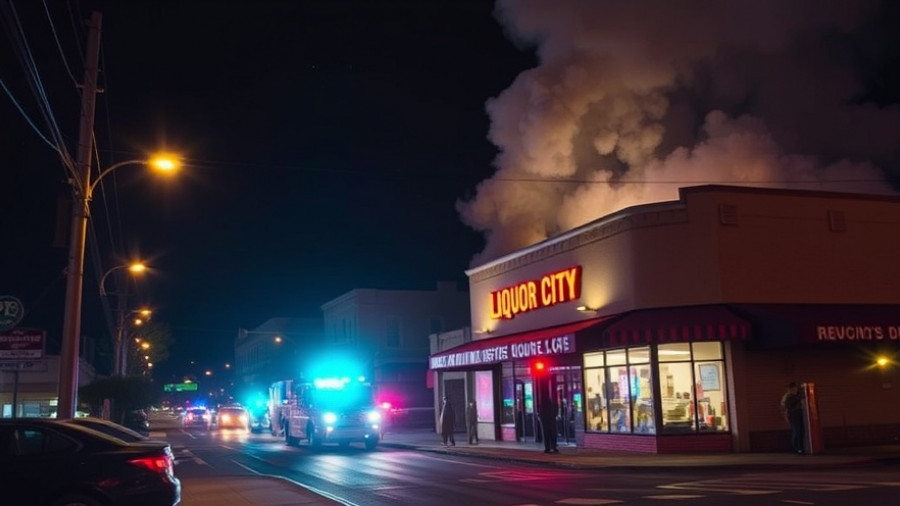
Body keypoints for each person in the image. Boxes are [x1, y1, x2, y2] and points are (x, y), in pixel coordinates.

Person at [780, 382, 805, 454]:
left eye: (796, 388)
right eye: (794, 388)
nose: (795, 389)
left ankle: (801, 447)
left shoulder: (797, 395)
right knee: (797, 431)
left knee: (800, 431)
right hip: (793, 414)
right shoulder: (788, 396)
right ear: (790, 389)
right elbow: (785, 406)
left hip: (799, 414)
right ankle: (796, 448)